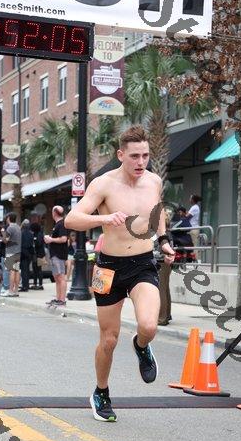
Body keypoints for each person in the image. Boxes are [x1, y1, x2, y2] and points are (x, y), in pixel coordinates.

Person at [65, 125, 175, 422]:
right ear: (120, 155)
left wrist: (164, 240)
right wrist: (103, 218)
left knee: (149, 326)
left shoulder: (153, 181)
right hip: (108, 268)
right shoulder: (103, 184)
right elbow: (71, 220)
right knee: (109, 340)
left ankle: (141, 346)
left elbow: (158, 210)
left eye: (146, 156)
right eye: (135, 156)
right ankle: (101, 392)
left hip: (142, 263)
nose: (141, 162)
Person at [44, 205, 68, 306]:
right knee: (57, 277)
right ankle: (58, 299)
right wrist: (50, 239)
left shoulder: (61, 224)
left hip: (58, 255)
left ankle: (62, 300)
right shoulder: (58, 224)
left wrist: (51, 239)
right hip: (55, 255)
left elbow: (64, 239)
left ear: (54, 213)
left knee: (60, 277)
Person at [2, 212, 21, 297]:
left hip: (11, 251)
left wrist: (3, 233)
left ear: (9, 218)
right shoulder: (18, 227)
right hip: (18, 251)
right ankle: (16, 290)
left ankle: (10, 291)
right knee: (16, 271)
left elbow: (5, 240)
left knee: (12, 272)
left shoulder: (10, 228)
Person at [19, 219, 34, 292]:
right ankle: (26, 285)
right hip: (29, 253)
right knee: (27, 270)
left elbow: (20, 243)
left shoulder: (21, 233)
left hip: (23, 253)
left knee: (23, 271)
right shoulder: (31, 233)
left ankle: (24, 286)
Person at [30, 221, 45, 290]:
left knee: (38, 269)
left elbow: (38, 243)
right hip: (40, 254)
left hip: (38, 254)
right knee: (36, 269)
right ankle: (36, 283)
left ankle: (39, 284)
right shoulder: (39, 234)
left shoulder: (38, 234)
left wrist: (34, 242)